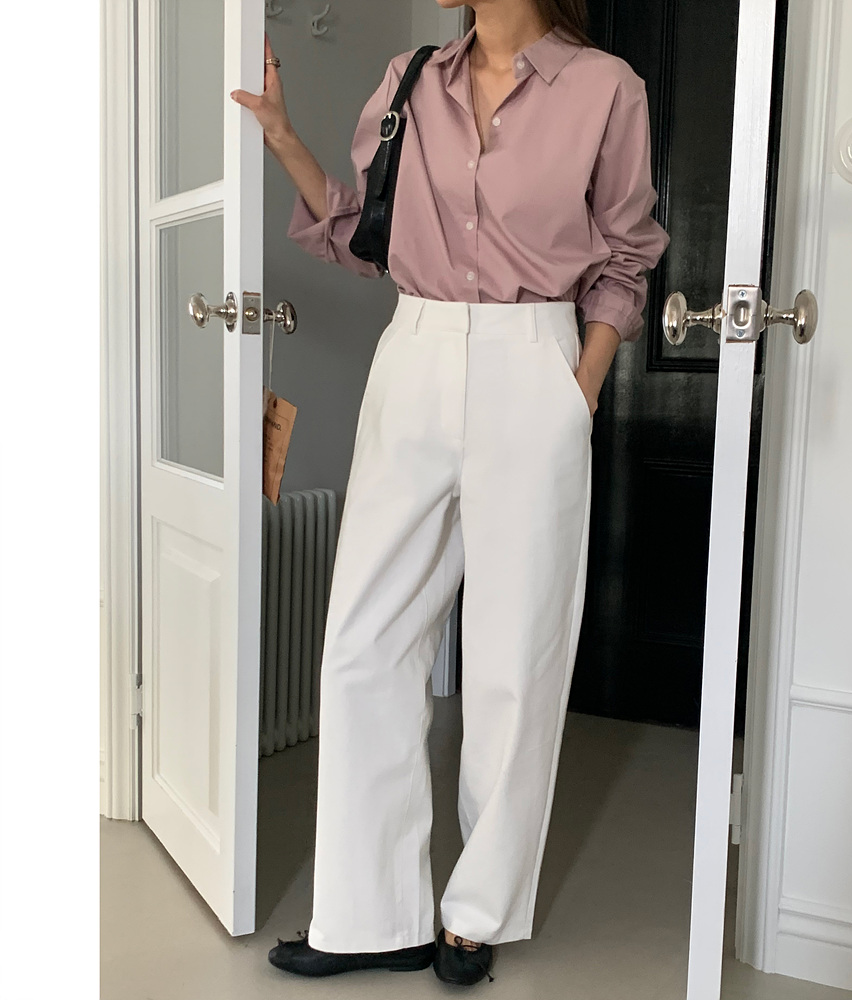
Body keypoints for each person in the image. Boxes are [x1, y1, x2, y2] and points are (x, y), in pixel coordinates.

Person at [230, 0, 669, 986]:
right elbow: (365, 234)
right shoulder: (410, 78)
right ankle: (368, 916)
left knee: (516, 652)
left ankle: (476, 912)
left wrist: (579, 390)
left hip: (535, 358)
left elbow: (628, 254)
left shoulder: (607, 89)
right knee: (364, 642)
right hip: (415, 352)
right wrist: (284, 137)